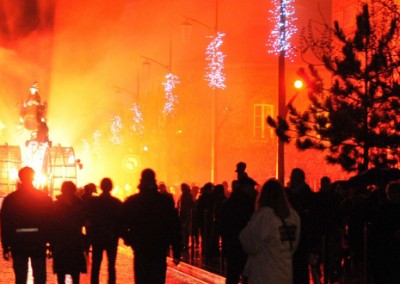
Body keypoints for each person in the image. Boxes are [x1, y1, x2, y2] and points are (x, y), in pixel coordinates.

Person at [120, 168, 181, 284]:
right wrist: (176, 251)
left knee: (142, 279)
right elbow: (175, 227)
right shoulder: (165, 202)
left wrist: (130, 239)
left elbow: (120, 224)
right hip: (159, 248)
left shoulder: (133, 202)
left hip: (141, 249)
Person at [239, 178, 301, 284]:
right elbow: (293, 245)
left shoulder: (264, 215)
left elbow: (249, 243)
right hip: (285, 273)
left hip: (264, 274)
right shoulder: (293, 216)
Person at [0, 166, 53, 284]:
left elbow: (6, 222)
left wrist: (5, 244)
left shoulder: (11, 199)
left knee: (20, 276)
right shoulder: (43, 198)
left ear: (20, 178)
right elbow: (50, 221)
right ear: (33, 177)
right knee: (39, 276)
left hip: (18, 242)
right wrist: (51, 243)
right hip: (38, 241)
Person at [86, 177, 122, 284]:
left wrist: (90, 234)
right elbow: (121, 221)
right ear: (111, 187)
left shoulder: (93, 202)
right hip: (112, 237)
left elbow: (88, 219)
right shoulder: (116, 203)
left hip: (97, 237)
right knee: (111, 266)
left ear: (101, 187)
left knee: (96, 265)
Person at [51, 181, 87, 284]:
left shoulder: (56, 204)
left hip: (61, 241)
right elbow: (84, 221)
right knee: (75, 273)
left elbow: (52, 223)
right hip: (75, 241)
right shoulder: (80, 204)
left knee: (61, 273)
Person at [221, 180, 254, 284]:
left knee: (232, 273)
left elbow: (222, 225)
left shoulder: (229, 202)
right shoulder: (249, 203)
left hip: (231, 243)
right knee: (246, 274)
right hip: (245, 245)